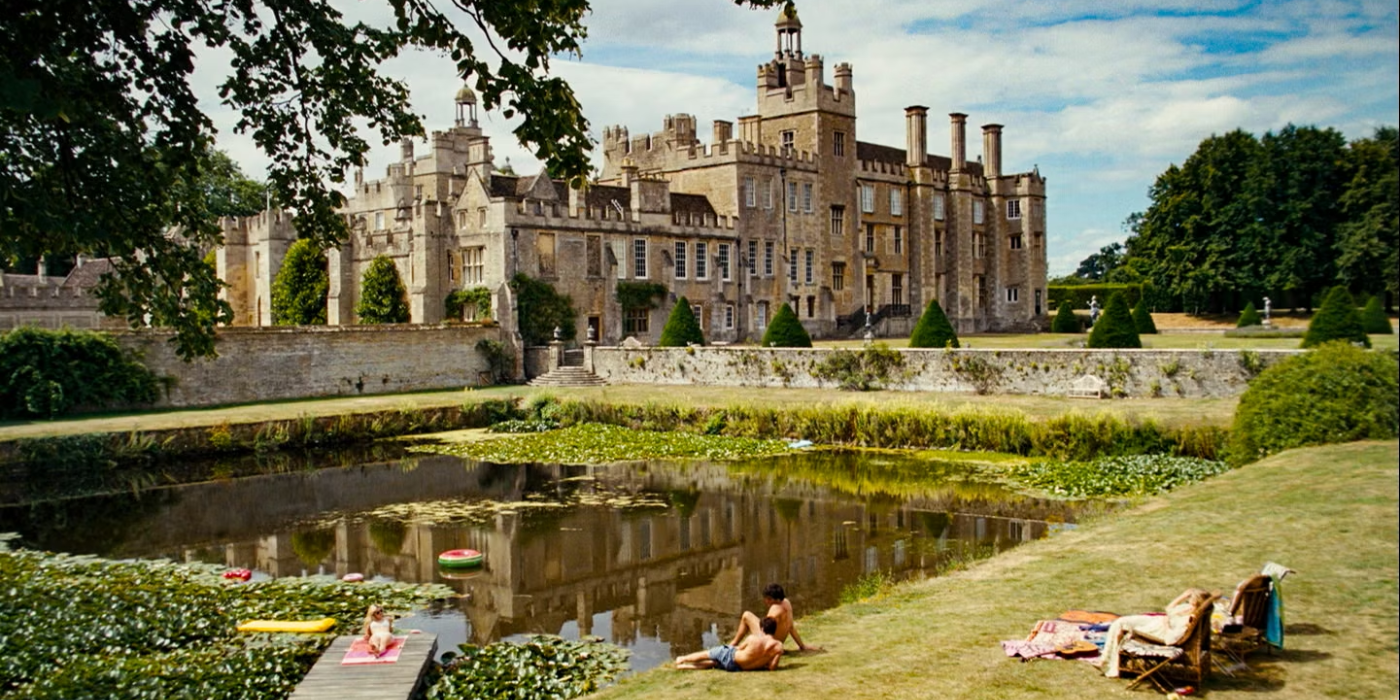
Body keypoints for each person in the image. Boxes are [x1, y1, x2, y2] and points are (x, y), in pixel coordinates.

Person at [1100, 588, 1211, 678]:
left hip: (1158, 632)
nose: (1188, 599)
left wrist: (1167, 623)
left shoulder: (1189, 620)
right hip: (1156, 621)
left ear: (1196, 601)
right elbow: (1168, 609)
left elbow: (1170, 640)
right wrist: (1182, 595)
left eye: (1190, 597)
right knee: (1120, 621)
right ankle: (1105, 659)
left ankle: (1111, 665)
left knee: (1121, 627)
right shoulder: (1188, 608)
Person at [729, 583, 818, 651]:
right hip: (779, 641)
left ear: (775, 599)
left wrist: (747, 645)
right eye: (766, 598)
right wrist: (802, 646)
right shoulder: (787, 603)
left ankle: (733, 645)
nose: (766, 601)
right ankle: (734, 645)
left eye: (768, 599)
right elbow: (791, 628)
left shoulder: (775, 608)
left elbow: (765, 630)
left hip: (769, 642)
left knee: (746, 615)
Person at [676, 616, 784, 671]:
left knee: (708, 653)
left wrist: (731, 646)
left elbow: (740, 648)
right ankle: (686, 667)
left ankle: (682, 659)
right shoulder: (778, 647)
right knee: (714, 663)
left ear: (762, 628)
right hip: (738, 668)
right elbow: (772, 667)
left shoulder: (753, 639)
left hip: (732, 658)